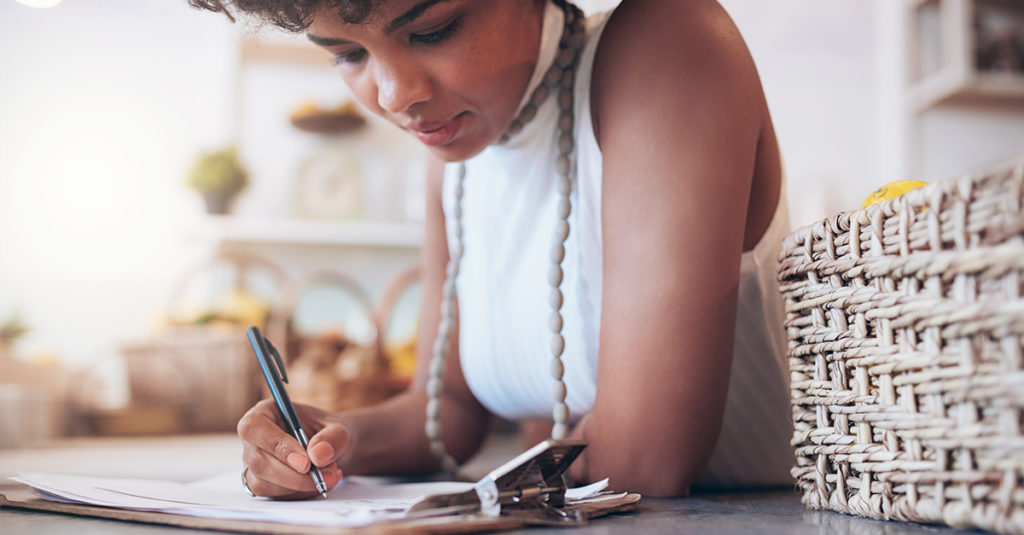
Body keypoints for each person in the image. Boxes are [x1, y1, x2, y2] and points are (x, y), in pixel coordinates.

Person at [190, 0, 795, 499]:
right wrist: (323, 441)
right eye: (348, 54)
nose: (397, 96)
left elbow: (647, 458)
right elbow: (445, 410)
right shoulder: (452, 162)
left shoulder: (667, 43)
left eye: (434, 29)